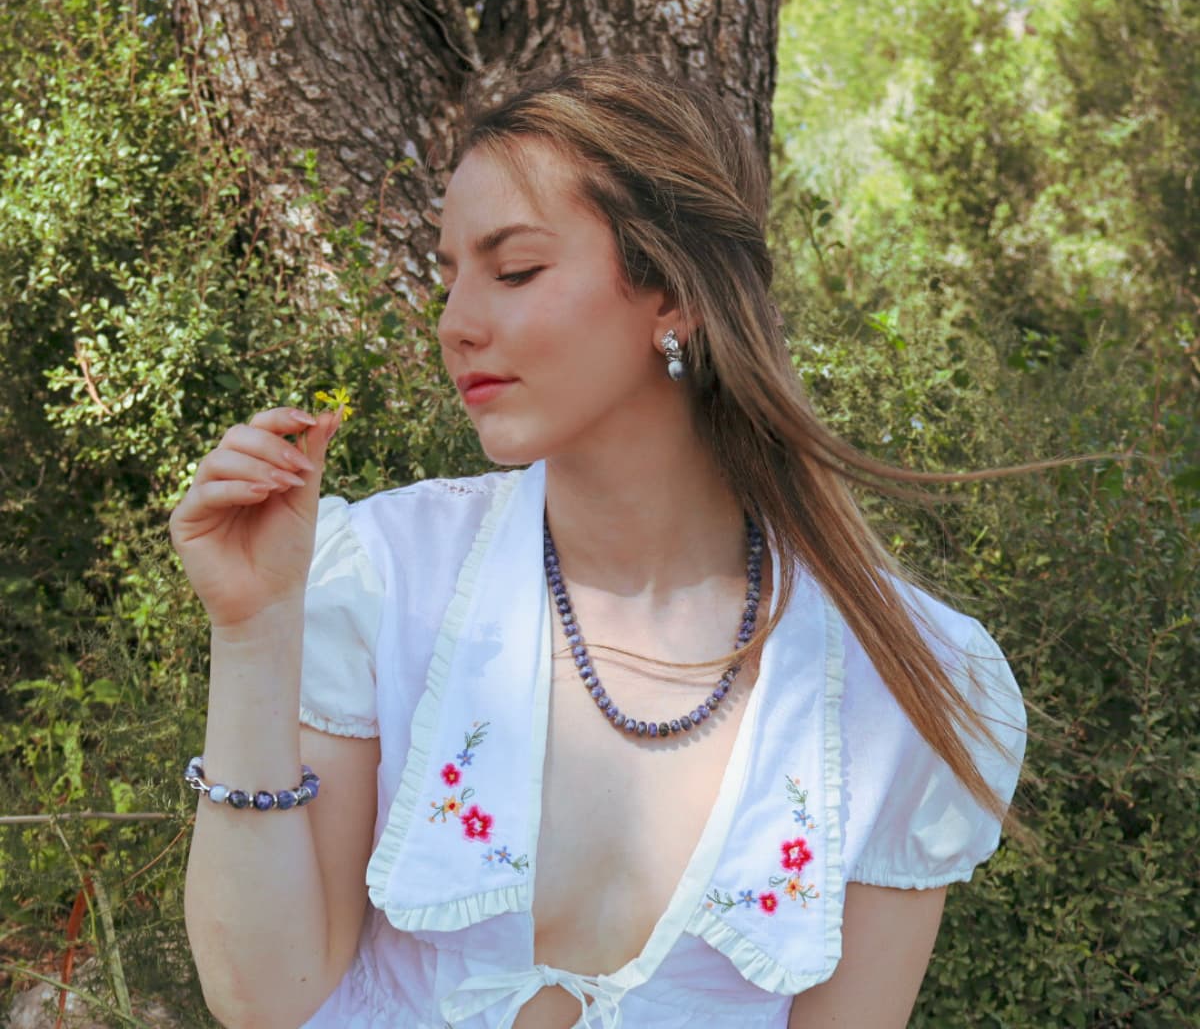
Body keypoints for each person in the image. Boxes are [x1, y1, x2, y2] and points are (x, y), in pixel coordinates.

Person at [170, 61, 1026, 1029]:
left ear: (674, 296)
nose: (455, 325)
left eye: (516, 270)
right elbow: (265, 1000)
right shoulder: (388, 577)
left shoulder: (902, 674)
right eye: (449, 277)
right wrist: (251, 632)